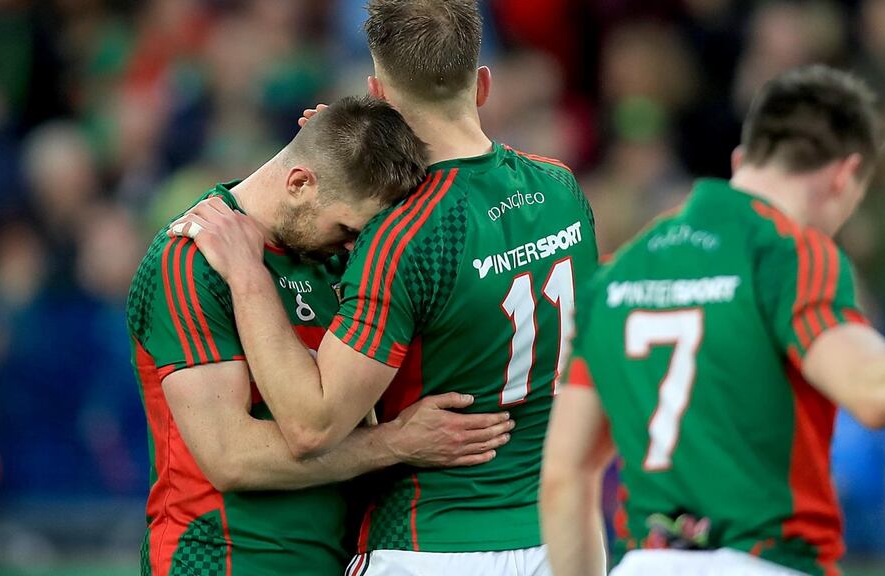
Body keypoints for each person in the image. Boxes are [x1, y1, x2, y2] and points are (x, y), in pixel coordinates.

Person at [168, 1, 598, 573]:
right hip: (552, 535)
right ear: (485, 84)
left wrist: (247, 274)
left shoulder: (403, 234)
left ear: (379, 94)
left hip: (432, 539)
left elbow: (309, 423)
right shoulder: (562, 188)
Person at [541, 65, 885, 576]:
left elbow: (564, 477)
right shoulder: (787, 250)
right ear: (845, 175)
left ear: (742, 160)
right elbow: (872, 391)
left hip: (645, 563)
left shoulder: (616, 276)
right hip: (766, 560)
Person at [128, 95, 513, 576]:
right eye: (348, 229)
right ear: (299, 182)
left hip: (335, 558)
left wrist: (361, 127)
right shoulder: (189, 261)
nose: (356, 248)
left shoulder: (337, 253)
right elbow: (230, 458)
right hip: (220, 561)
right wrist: (397, 443)